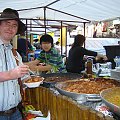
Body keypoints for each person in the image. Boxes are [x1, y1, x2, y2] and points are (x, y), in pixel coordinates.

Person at [0, 8, 30, 120]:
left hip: (16, 113)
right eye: (7, 23)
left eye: (14, 25)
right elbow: (12, 74)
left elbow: (21, 77)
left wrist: (29, 79)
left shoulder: (15, 53)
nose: (10, 28)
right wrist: (10, 74)